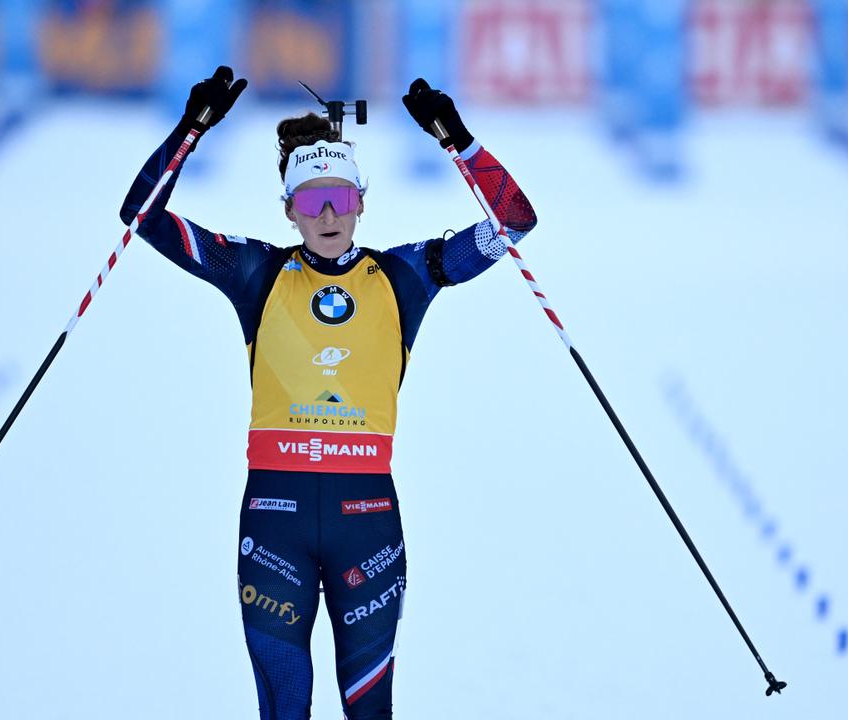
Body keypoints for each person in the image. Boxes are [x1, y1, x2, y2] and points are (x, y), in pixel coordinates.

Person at [119, 66, 536, 719]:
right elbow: (141, 217)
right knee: (284, 706)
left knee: (369, 709)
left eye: (341, 196)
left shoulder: (404, 276)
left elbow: (513, 221)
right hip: (273, 522)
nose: (329, 215)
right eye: (311, 201)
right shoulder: (255, 271)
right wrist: (191, 129)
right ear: (288, 209)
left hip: (366, 524)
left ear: (363, 202)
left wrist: (457, 139)